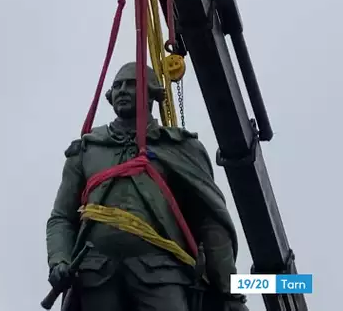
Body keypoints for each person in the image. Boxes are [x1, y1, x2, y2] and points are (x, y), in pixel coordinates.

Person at [45, 62, 249, 311]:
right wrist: (59, 260)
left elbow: (209, 221)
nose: (122, 90)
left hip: (160, 272)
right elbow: (62, 217)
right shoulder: (87, 150)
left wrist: (229, 291)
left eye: (131, 84)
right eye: (117, 86)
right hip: (96, 274)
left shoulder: (180, 148)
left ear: (152, 92)